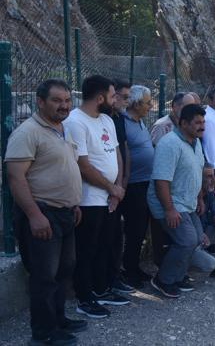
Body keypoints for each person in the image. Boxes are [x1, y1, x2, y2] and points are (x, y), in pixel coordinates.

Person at [6, 79, 87, 345]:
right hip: (43, 213)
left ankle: (59, 321)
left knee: (64, 271)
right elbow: (16, 178)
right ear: (40, 102)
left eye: (66, 101)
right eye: (56, 100)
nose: (64, 106)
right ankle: (43, 334)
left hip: (65, 213)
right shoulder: (27, 132)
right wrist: (34, 215)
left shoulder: (62, 129)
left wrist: (73, 203)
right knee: (44, 276)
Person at [64, 75, 129, 319]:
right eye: (113, 96)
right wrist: (111, 188)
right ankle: (85, 297)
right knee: (87, 250)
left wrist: (117, 188)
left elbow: (116, 155)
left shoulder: (106, 120)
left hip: (111, 197)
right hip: (89, 199)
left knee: (106, 246)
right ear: (100, 98)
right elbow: (83, 165)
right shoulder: (75, 122)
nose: (115, 101)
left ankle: (101, 289)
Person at [147, 104, 207, 298]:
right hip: (171, 203)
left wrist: (199, 198)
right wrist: (169, 209)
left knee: (196, 238)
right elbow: (161, 180)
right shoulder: (170, 143)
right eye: (197, 122)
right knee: (187, 240)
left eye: (203, 122)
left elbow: (197, 172)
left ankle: (177, 275)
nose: (202, 126)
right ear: (183, 123)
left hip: (188, 203)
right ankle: (163, 280)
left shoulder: (196, 143)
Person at [149, 92, 199, 266]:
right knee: (174, 239)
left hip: (184, 200)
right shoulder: (164, 130)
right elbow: (160, 171)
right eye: (186, 107)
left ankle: (176, 272)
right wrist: (168, 207)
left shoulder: (193, 136)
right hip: (166, 197)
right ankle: (164, 275)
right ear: (175, 107)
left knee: (191, 241)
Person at [120, 86, 155, 288]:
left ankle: (134, 266)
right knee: (134, 230)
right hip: (132, 185)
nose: (151, 106)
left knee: (141, 230)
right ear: (136, 103)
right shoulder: (123, 123)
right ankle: (128, 270)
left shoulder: (140, 122)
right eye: (148, 102)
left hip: (145, 183)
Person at [108, 80, 134, 295]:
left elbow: (123, 150)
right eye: (125, 97)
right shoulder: (106, 119)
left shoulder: (118, 118)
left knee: (116, 237)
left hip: (119, 187)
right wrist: (116, 187)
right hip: (107, 192)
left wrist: (122, 183)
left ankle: (114, 277)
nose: (128, 102)